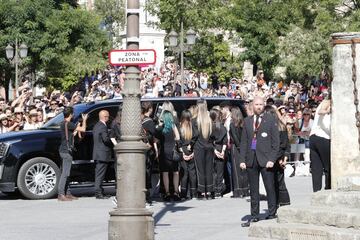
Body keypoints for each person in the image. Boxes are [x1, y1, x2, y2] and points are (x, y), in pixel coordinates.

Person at [240, 96, 280, 227]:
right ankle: (254, 214)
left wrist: (272, 159)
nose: (258, 106)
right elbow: (244, 142)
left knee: (270, 186)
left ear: (264, 105)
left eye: (261, 104)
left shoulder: (271, 120)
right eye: (256, 104)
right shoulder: (247, 121)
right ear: (252, 105)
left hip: (266, 159)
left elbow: (276, 142)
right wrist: (242, 159)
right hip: (251, 159)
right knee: (254, 189)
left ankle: (272, 211)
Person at [58, 107, 88, 201]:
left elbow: (71, 134)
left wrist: (76, 126)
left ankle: (67, 193)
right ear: (71, 114)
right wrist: (84, 120)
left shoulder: (64, 124)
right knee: (65, 173)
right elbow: (83, 129)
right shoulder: (69, 124)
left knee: (67, 172)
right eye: (73, 113)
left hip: (63, 150)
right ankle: (61, 194)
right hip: (66, 151)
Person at [264, 105, 291, 207]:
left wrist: (282, 158)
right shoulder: (276, 126)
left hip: (275, 158)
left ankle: (281, 203)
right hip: (274, 157)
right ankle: (278, 204)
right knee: (276, 182)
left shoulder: (280, 127)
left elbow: (284, 145)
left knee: (278, 182)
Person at [157, 107, 181, 202]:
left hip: (163, 151)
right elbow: (178, 137)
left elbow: (156, 139)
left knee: (165, 173)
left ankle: (167, 193)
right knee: (175, 172)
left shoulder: (161, 127)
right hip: (172, 151)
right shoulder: (173, 125)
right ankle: (175, 192)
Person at [193, 100, 214, 199]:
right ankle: (209, 192)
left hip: (199, 147)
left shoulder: (195, 121)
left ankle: (201, 192)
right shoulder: (209, 120)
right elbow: (213, 135)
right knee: (209, 170)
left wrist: (190, 144)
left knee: (200, 170)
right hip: (209, 147)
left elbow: (194, 135)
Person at [309, 97, 331, 192]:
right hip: (323, 137)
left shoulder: (324, 101)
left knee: (316, 169)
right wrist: (328, 111)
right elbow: (321, 111)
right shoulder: (328, 101)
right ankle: (328, 189)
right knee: (328, 167)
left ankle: (316, 192)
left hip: (313, 138)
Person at [93, 110, 114, 199]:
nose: (108, 118)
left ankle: (100, 191)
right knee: (100, 175)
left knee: (99, 174)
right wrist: (112, 142)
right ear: (104, 117)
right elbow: (105, 139)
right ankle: (98, 193)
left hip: (98, 153)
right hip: (102, 154)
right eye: (108, 117)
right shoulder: (102, 127)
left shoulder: (96, 125)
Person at [229, 106, 249, 198]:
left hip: (236, 148)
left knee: (236, 170)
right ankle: (245, 189)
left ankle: (238, 191)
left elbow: (235, 138)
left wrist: (239, 147)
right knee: (244, 170)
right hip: (244, 147)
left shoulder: (232, 124)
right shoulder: (244, 123)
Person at [141, 102, 158, 204]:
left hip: (143, 149)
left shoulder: (141, 120)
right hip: (148, 150)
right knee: (147, 172)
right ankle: (147, 196)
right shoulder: (149, 122)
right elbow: (155, 134)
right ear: (150, 109)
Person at [179, 109, 197, 200]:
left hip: (183, 150)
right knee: (192, 173)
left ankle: (183, 194)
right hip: (191, 150)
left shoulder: (179, 127)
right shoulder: (192, 126)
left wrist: (182, 153)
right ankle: (193, 194)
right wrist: (192, 151)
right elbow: (196, 137)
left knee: (184, 174)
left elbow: (178, 142)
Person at [210, 108, 227, 198]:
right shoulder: (223, 127)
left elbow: (209, 141)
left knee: (213, 172)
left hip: (212, 149)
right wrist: (223, 151)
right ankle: (219, 191)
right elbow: (225, 141)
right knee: (220, 172)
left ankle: (213, 189)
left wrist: (214, 151)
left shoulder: (210, 127)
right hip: (221, 148)